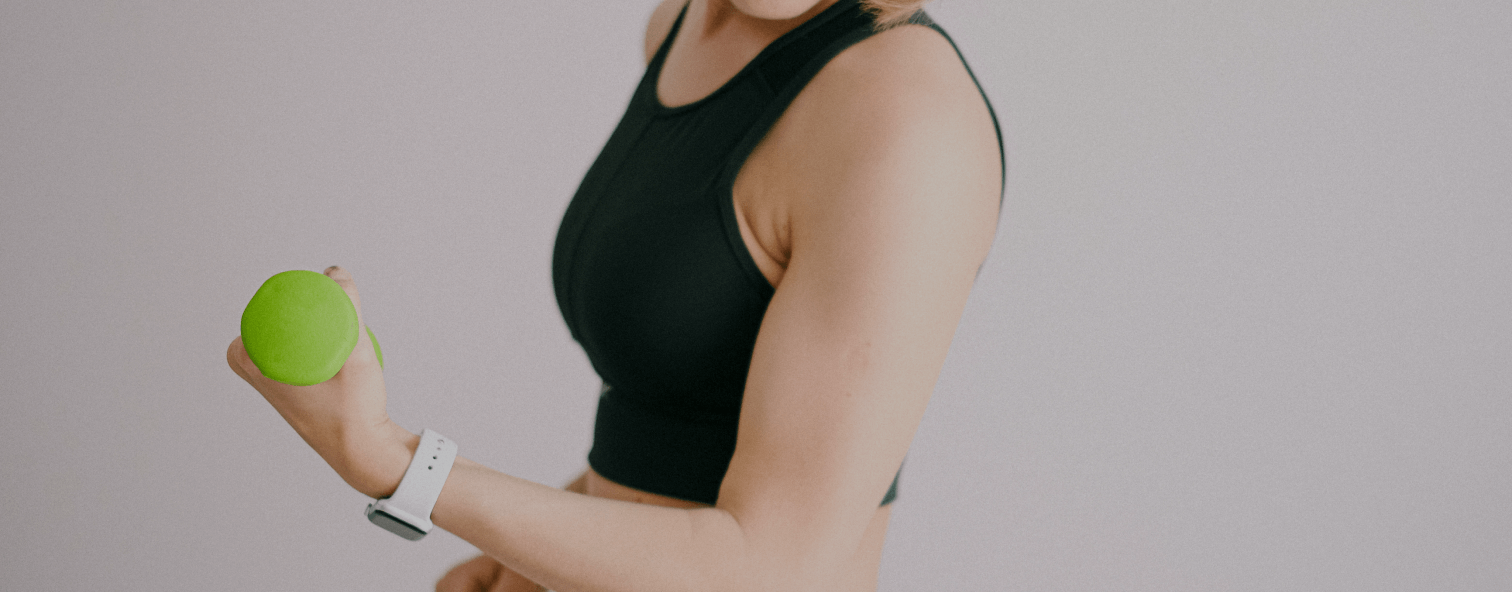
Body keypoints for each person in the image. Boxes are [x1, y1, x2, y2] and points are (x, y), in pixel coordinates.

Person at [226, 0, 1004, 590]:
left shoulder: (906, 121)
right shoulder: (688, 21)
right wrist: (527, 561)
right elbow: (686, 428)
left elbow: (768, 565)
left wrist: (400, 467)